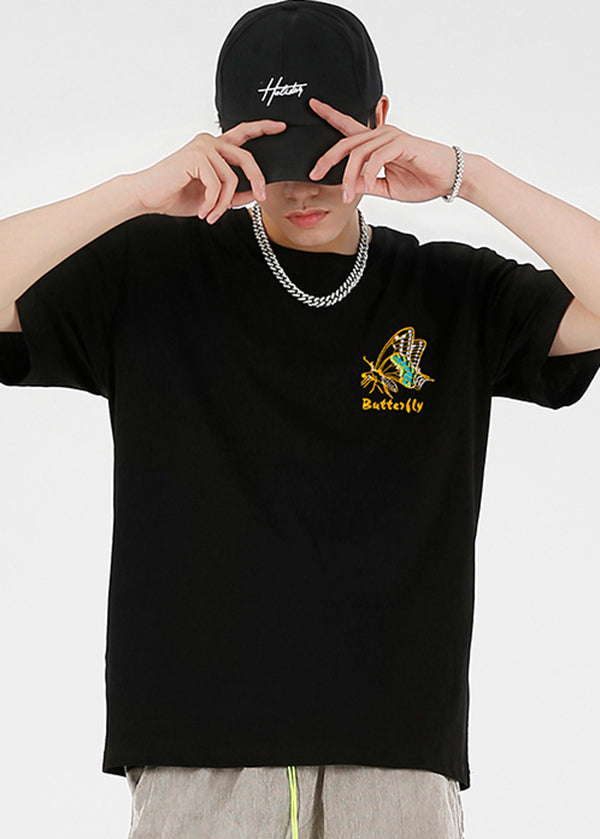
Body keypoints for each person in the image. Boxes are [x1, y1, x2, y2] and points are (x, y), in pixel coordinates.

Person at [1, 1, 600, 837]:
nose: (304, 186)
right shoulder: (150, 277)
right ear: (228, 140)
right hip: (198, 758)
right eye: (276, 158)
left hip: (396, 759)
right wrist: (133, 194)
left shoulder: (452, 293)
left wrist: (469, 176)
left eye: (327, 154)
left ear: (379, 122)